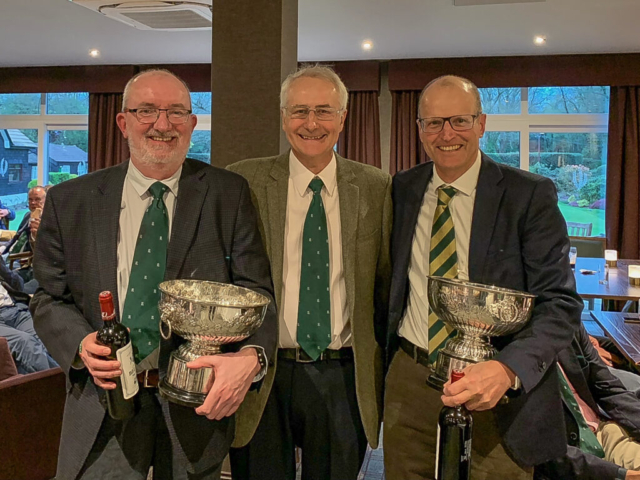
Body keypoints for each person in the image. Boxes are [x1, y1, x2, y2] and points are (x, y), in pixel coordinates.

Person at [30, 69, 277, 480]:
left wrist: (252, 358)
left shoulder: (227, 194)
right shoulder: (70, 201)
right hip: (104, 401)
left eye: (176, 112)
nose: (162, 124)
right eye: (147, 111)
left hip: (193, 401)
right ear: (123, 122)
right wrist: (79, 343)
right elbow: (46, 296)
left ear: (192, 124)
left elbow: (256, 293)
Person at [384, 75, 584, 479]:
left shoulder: (528, 195)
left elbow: (560, 303)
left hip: (498, 388)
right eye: (434, 122)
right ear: (420, 129)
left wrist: (508, 369)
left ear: (481, 123)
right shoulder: (403, 189)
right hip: (412, 375)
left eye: (459, 120)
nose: (447, 134)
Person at [228, 65, 391, 480]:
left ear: (343, 117)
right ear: (283, 118)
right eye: (299, 111)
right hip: (263, 371)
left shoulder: (376, 186)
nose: (311, 123)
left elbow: (385, 281)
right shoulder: (243, 179)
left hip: (343, 375)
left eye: (324, 110)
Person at [536, 325, 640, 480]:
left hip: (602, 430)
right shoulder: (509, 354)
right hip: (570, 454)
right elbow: (538, 446)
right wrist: (622, 475)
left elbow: (609, 389)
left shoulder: (568, 324)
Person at [0, 282, 57, 374]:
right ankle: (63, 381)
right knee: (24, 341)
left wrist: (3, 269)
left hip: (15, 310)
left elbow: (18, 284)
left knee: (45, 335)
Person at [3, 185, 46, 255]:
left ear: (46, 201)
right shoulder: (27, 215)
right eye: (30, 199)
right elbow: (17, 236)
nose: (33, 203)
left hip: (23, 259)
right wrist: (3, 248)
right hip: (11, 252)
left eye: (37, 199)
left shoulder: (49, 221)